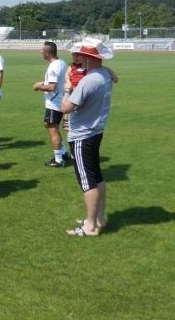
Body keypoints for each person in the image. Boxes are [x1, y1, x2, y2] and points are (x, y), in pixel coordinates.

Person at [61, 38, 115, 237]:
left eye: (81, 54)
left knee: (87, 181)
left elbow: (66, 107)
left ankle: (90, 226)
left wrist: (67, 88)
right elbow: (113, 75)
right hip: (95, 131)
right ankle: (99, 217)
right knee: (96, 176)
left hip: (83, 135)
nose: (78, 57)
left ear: (87, 57)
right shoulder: (104, 75)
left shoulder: (89, 80)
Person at [33, 41, 71, 167]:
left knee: (52, 129)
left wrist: (39, 87)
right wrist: (44, 82)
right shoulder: (62, 63)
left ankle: (58, 160)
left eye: (42, 50)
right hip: (61, 100)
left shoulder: (54, 66)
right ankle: (64, 153)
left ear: (48, 52)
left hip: (55, 102)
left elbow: (52, 87)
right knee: (48, 124)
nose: (41, 52)